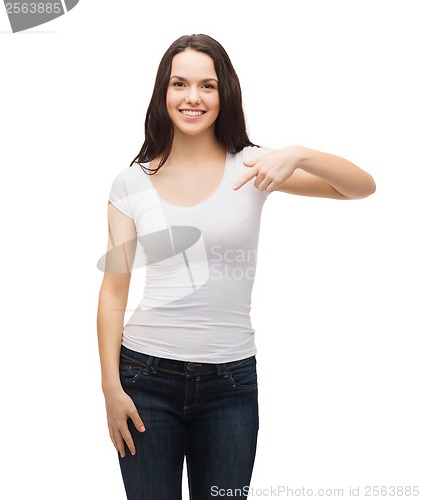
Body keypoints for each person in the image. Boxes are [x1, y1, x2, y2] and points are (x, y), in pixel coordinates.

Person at [96, 34, 376, 500]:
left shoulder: (254, 167)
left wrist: (299, 153)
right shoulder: (131, 182)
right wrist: (110, 387)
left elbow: (360, 188)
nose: (192, 97)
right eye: (179, 84)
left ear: (224, 93)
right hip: (144, 378)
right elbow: (113, 291)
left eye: (207, 85)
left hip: (230, 383)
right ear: (162, 93)